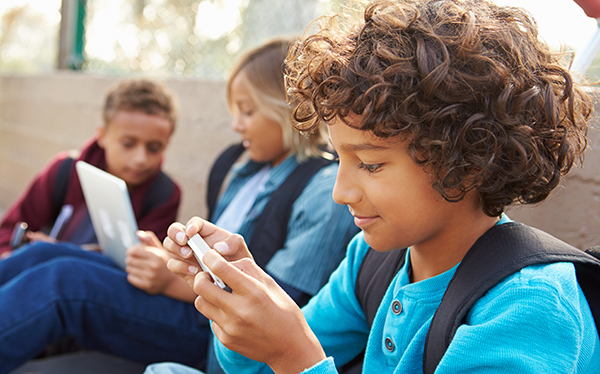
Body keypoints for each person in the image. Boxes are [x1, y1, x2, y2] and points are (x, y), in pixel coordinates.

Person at [147, 0, 600, 373]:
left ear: (468, 162)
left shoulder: (528, 308)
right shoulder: (374, 259)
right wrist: (247, 300)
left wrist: (295, 355)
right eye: (340, 158)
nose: (340, 192)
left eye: (370, 164)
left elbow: (291, 359)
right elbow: (259, 367)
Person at [0, 79, 211, 373]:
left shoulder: (162, 194)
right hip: (30, 276)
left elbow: (132, 266)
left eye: (154, 148)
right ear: (102, 135)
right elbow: (8, 230)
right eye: (128, 143)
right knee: (38, 256)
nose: (140, 158)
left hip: (100, 291)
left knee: (60, 273)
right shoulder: (64, 170)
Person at [191, 38, 359, 374]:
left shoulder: (322, 190)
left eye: (248, 111)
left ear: (286, 108)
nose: (237, 125)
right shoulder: (240, 166)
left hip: (207, 321)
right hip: (219, 330)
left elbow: (282, 310)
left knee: (67, 284)